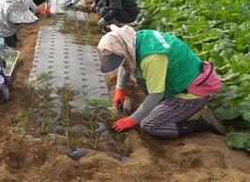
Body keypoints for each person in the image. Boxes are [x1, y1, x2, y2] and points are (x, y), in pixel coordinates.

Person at [97, 24, 227, 138]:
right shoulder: (137, 38)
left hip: (192, 94)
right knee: (143, 82)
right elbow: (126, 62)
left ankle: (202, 123)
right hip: (180, 80)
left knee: (148, 125)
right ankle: (165, 107)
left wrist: (131, 120)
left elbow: (156, 95)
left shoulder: (152, 57)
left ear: (125, 47)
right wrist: (120, 88)